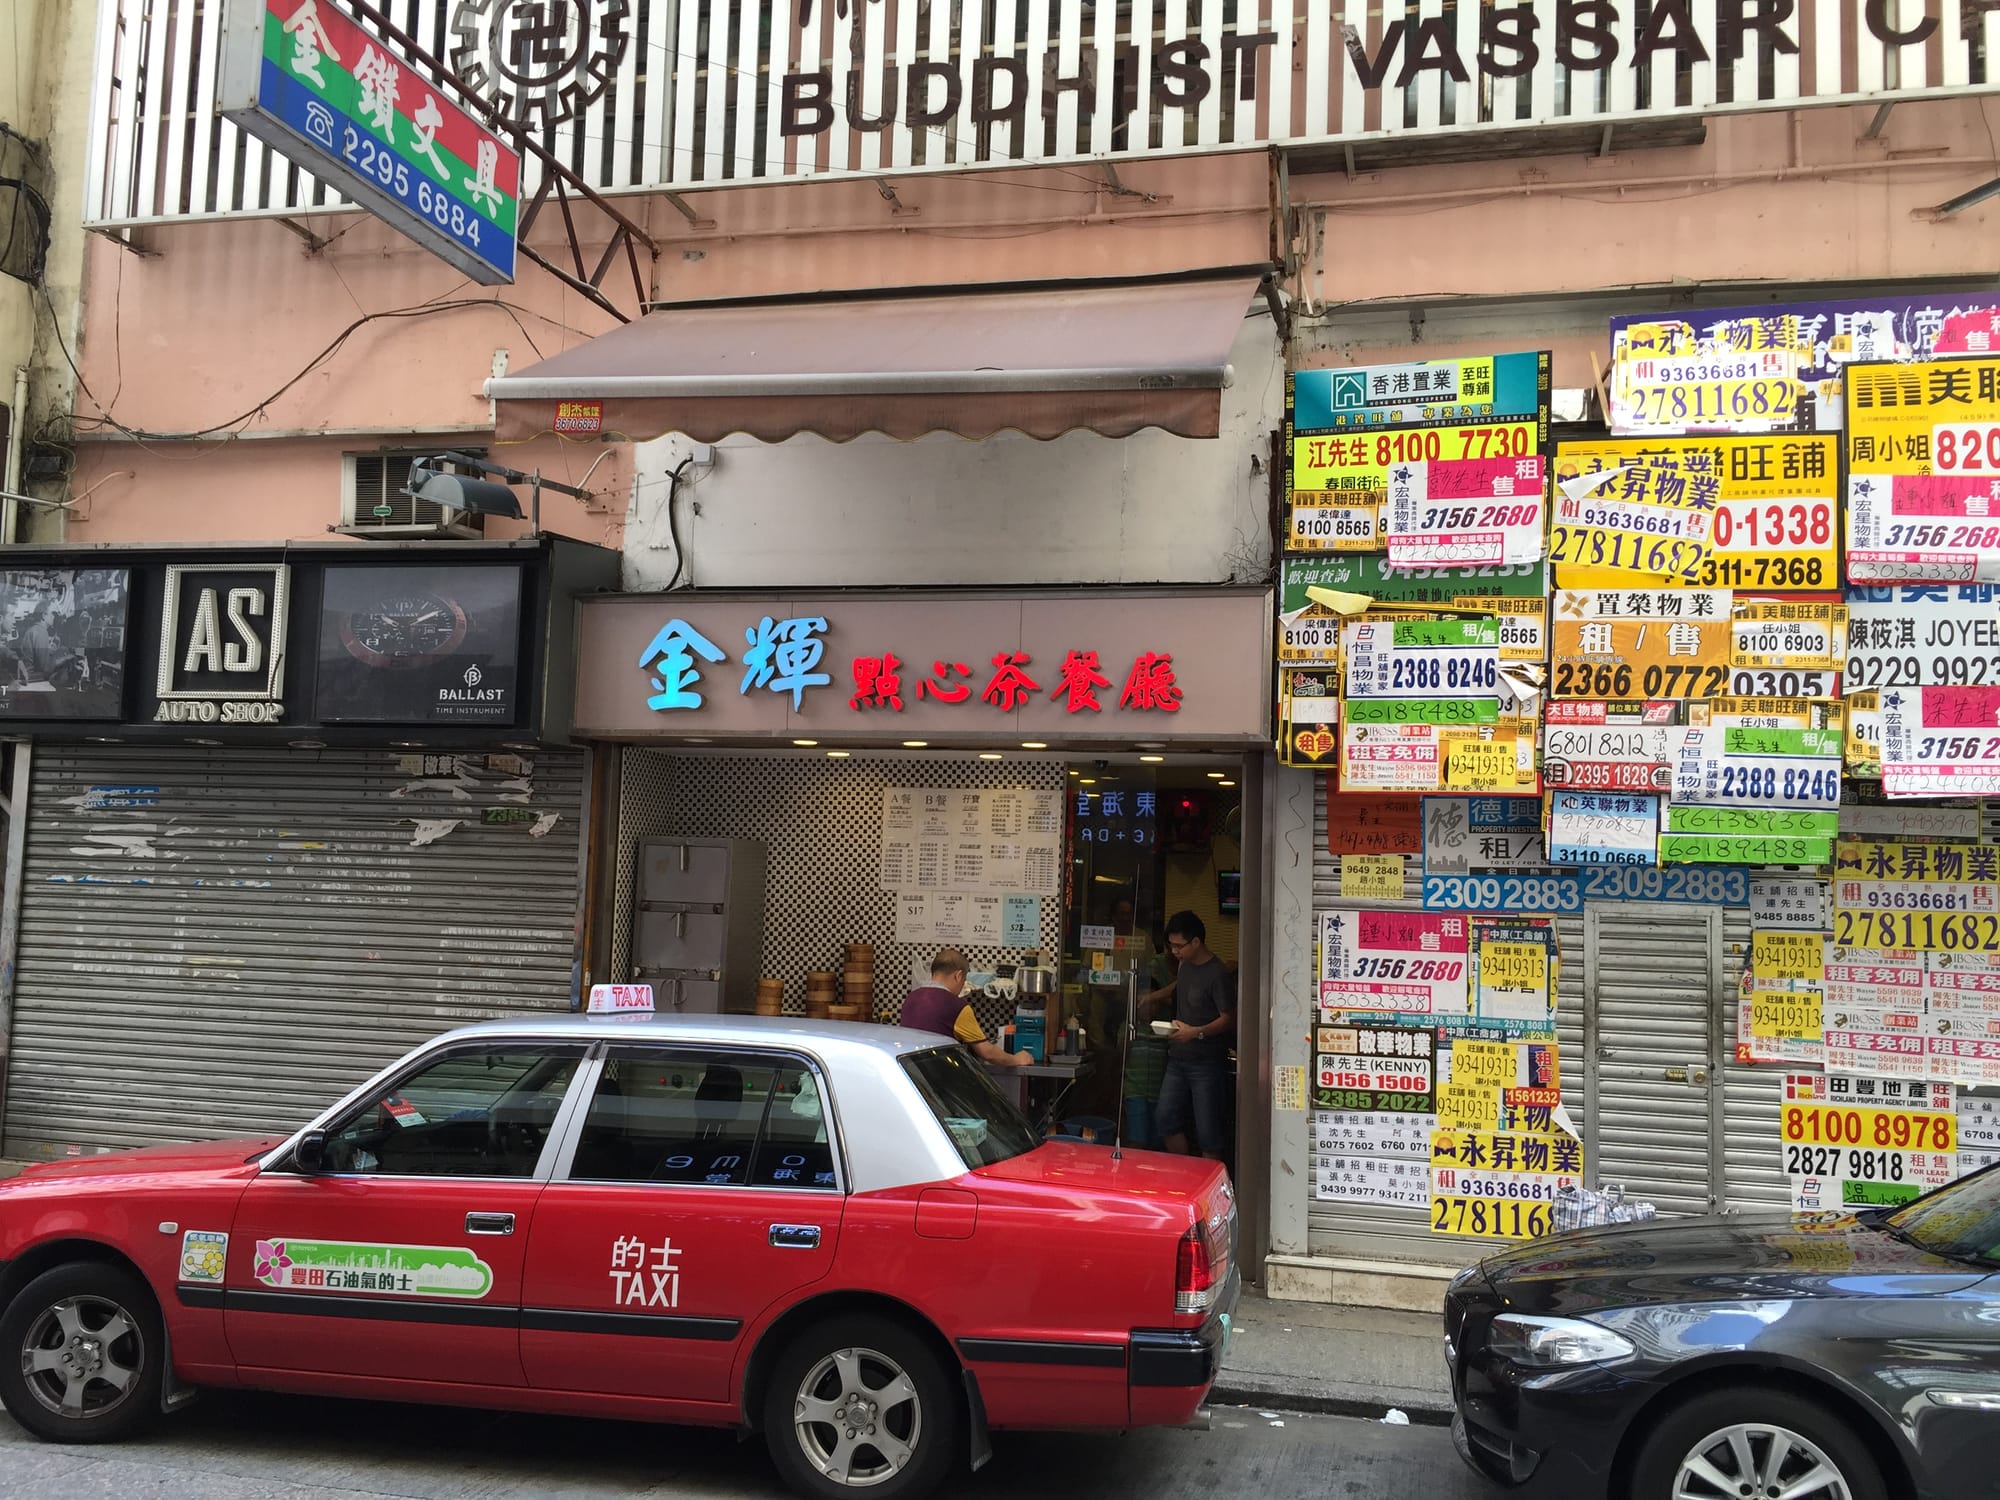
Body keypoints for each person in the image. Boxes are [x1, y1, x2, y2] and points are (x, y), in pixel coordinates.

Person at [1140, 911, 1235, 1161]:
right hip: (1178, 1058)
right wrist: (1152, 997)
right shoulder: (1184, 966)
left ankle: (1210, 1190)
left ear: (1196, 942)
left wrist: (1196, 1032)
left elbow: (1229, 1018)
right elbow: (1178, 987)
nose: (1174, 951)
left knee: (1209, 1133)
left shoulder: (1217, 973)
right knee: (1165, 1119)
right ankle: (1186, 1173)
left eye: (1179, 946)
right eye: (1171, 945)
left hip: (1206, 1062)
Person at [900, 948, 1032, 1067]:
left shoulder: (911, 998)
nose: (962, 986)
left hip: (909, 1075)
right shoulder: (955, 1005)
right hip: (937, 1077)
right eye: (963, 981)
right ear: (958, 976)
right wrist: (1017, 1059)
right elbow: (987, 1053)